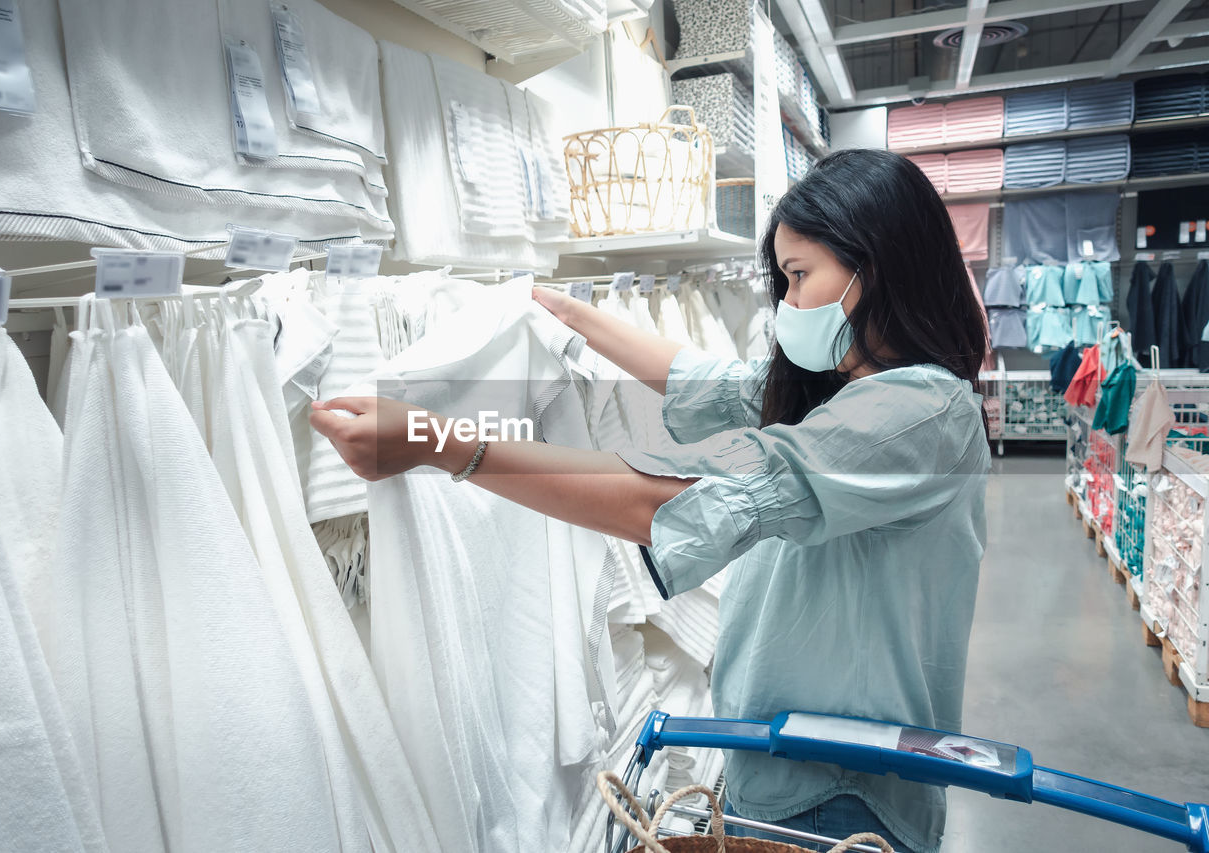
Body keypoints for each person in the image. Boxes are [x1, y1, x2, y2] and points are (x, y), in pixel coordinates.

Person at [309, 148, 992, 853]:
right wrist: (565, 312)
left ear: (872, 266)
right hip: (784, 767)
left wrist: (440, 443)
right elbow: (707, 381)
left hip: (843, 796)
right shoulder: (843, 387)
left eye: (798, 277)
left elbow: (676, 495)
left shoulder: (921, 413)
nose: (787, 304)